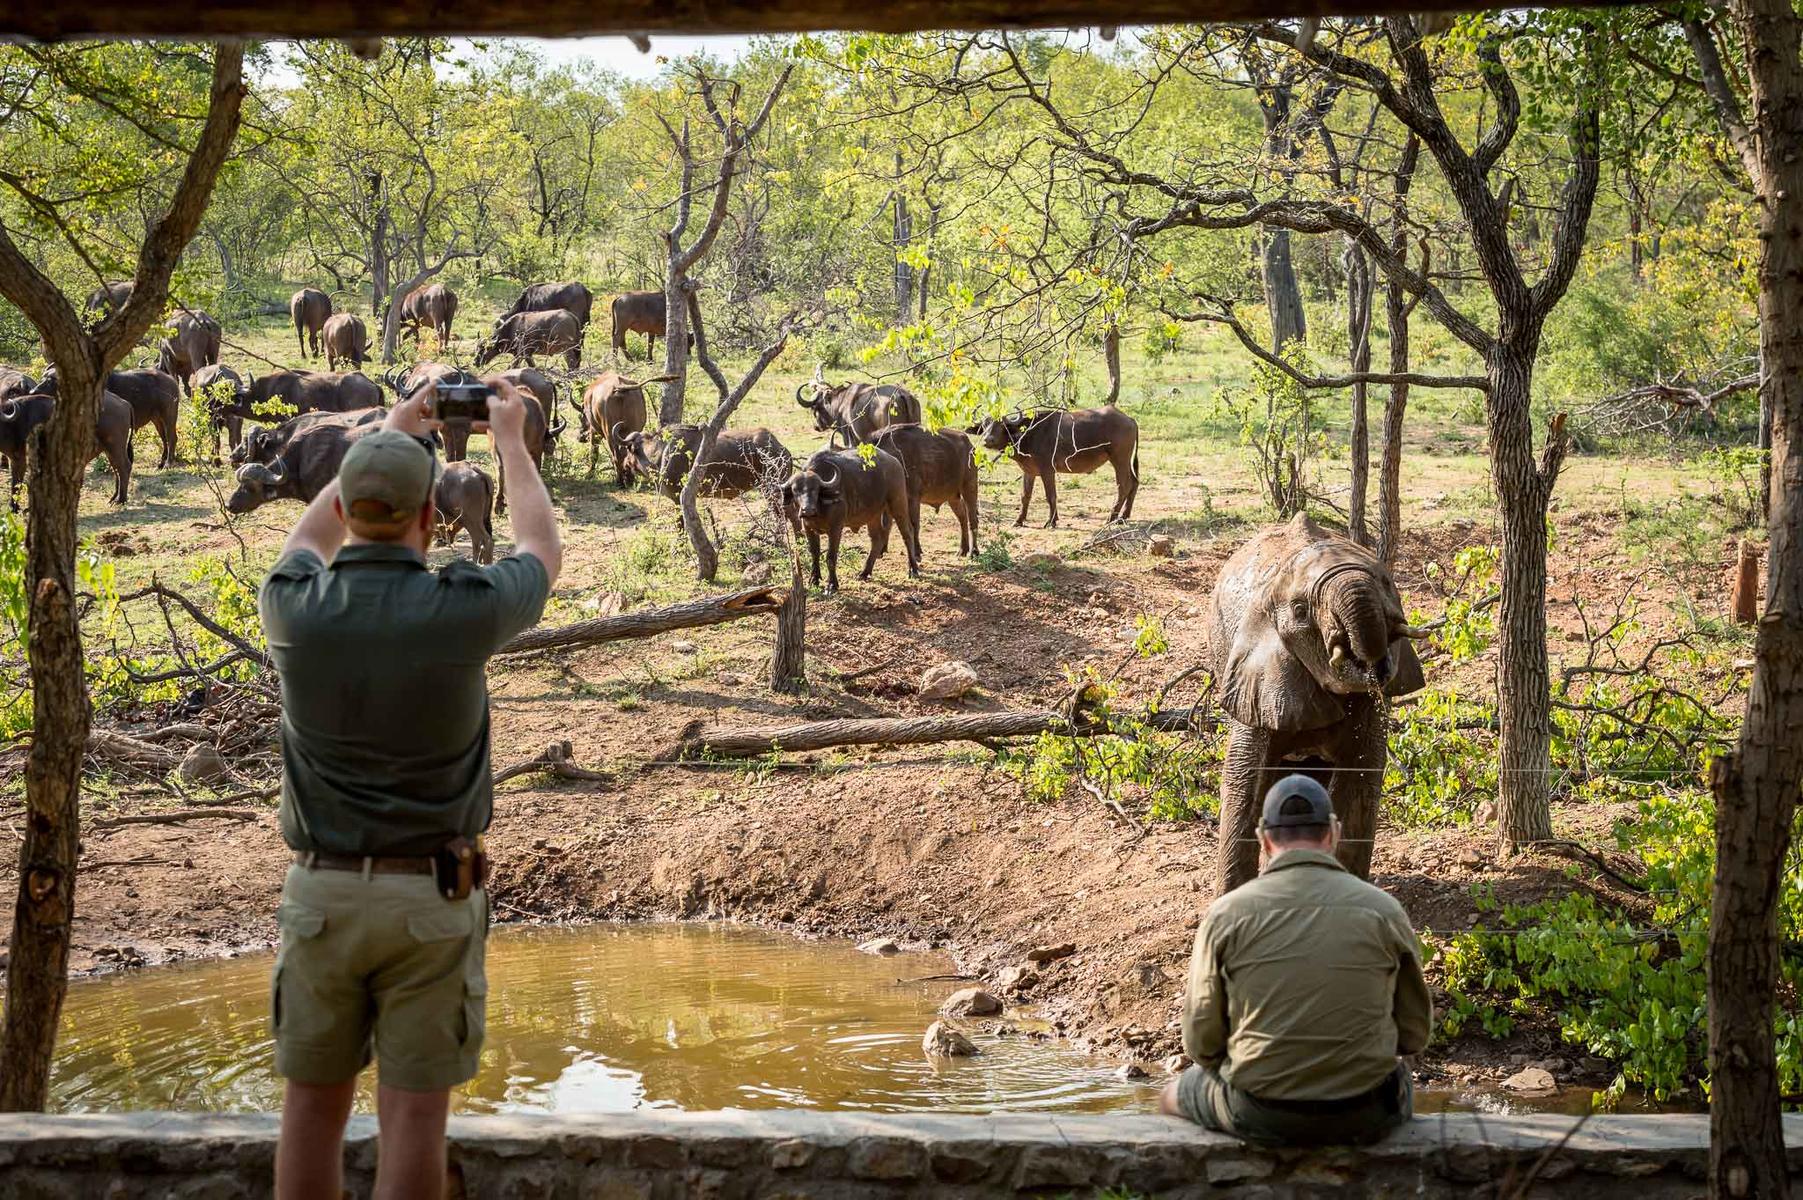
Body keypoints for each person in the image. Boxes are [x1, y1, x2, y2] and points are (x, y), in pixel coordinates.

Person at [259, 382, 561, 1200]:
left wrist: (387, 433)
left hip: (319, 894)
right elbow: (539, 549)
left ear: (350, 507)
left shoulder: (291, 607)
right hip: (432, 898)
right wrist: (511, 442)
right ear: (435, 517)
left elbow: (305, 534)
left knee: (309, 1113)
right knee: (415, 1121)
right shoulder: (460, 611)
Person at [1161, 774, 1431, 1146]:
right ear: (1333, 833)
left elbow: (1201, 1043)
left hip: (1258, 1110)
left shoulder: (1226, 914)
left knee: (1172, 1093)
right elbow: (1414, 1033)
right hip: (1365, 1112)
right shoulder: (1384, 910)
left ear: (1263, 839)